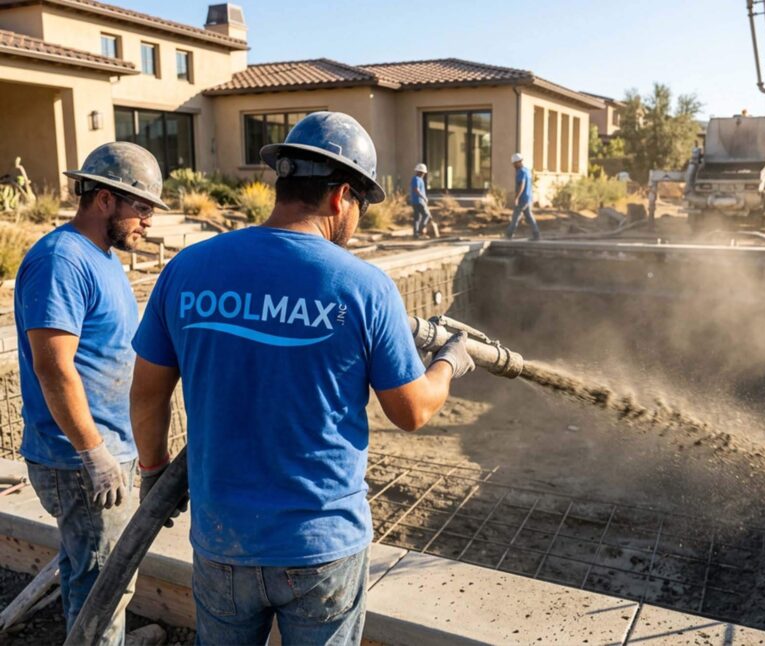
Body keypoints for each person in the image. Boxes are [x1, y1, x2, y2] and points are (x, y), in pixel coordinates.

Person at [130, 111, 474, 645]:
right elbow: (411, 411)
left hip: (223, 540)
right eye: (361, 205)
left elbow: (148, 393)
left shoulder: (188, 269)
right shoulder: (365, 288)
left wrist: (154, 473)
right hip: (321, 547)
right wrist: (450, 362)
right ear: (341, 196)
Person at [15, 142, 167, 645]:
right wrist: (93, 452)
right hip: (79, 460)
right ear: (104, 199)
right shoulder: (62, 260)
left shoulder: (99, 257)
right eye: (141, 207)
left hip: (101, 449)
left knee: (91, 568)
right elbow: (53, 367)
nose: (148, 221)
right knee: (103, 582)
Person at [505, 152, 540, 240]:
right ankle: (536, 234)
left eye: (514, 163)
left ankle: (509, 234)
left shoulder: (520, 172)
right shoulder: (527, 171)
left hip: (522, 199)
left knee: (515, 217)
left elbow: (522, 185)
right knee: (529, 216)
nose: (513, 165)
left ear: (517, 162)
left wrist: (516, 198)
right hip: (528, 198)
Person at [409, 162, 432, 238]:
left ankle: (416, 234)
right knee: (427, 215)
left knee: (417, 218)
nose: (424, 174)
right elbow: (417, 190)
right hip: (419, 201)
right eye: (423, 173)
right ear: (421, 172)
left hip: (415, 201)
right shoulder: (416, 179)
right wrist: (424, 197)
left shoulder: (417, 179)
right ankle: (421, 230)